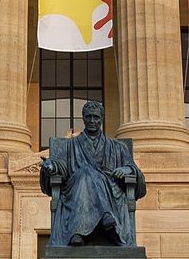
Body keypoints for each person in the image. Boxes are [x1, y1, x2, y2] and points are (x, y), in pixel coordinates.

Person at [38, 101, 146, 248]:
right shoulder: (69, 145)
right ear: (83, 118)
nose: (92, 121)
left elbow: (136, 173)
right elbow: (59, 164)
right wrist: (51, 166)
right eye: (88, 117)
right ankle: (106, 217)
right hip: (77, 190)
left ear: (102, 119)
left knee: (86, 173)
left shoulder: (117, 148)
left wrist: (127, 169)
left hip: (110, 191)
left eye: (96, 117)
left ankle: (78, 233)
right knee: (85, 172)